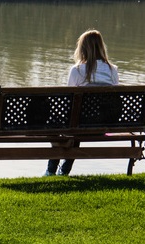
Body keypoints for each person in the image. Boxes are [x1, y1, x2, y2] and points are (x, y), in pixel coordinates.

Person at [44, 29, 119, 176]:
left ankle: (51, 170)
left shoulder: (77, 70)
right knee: (75, 125)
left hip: (79, 125)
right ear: (101, 47)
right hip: (102, 127)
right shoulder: (112, 70)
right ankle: (63, 170)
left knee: (65, 125)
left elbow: (68, 102)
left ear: (82, 48)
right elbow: (113, 102)